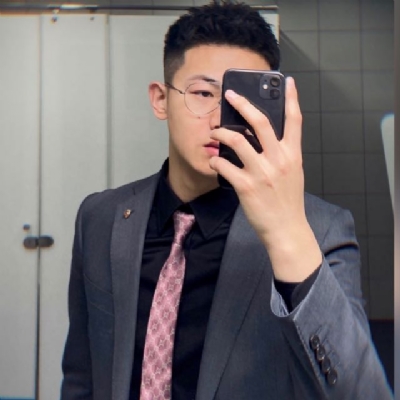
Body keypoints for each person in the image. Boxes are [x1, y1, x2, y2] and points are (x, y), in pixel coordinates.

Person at [61, 2, 393, 399]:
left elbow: (363, 392)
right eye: (203, 93)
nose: (221, 119)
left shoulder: (318, 229)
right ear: (160, 99)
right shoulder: (100, 217)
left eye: (242, 102)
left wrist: (287, 234)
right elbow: (81, 374)